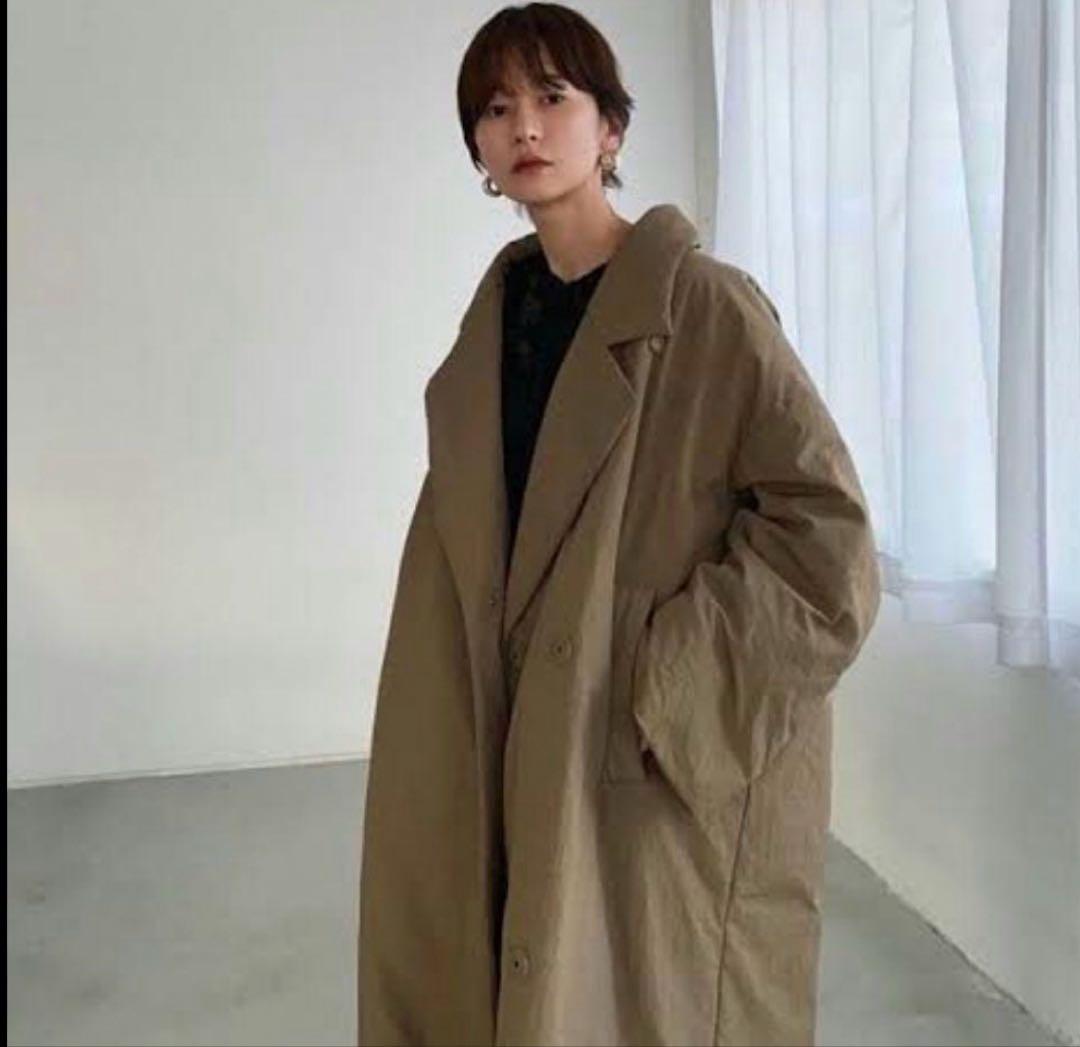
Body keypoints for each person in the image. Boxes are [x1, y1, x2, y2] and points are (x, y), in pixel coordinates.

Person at [357, 5, 882, 1046]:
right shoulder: (492, 333)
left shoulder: (707, 308)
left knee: (637, 992)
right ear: (477, 152)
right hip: (501, 724)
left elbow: (826, 534)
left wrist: (664, 681)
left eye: (553, 97)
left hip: (632, 748)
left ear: (611, 129)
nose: (524, 126)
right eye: (495, 109)